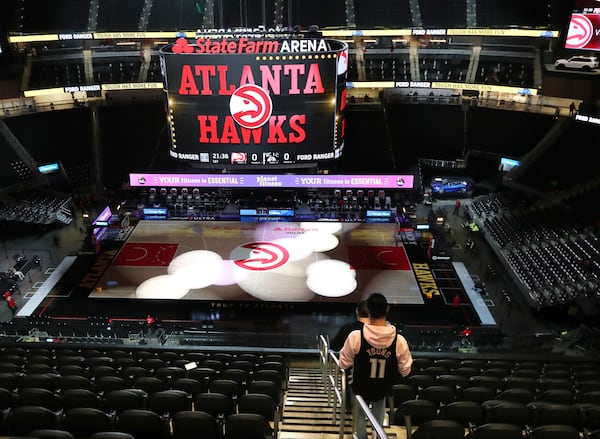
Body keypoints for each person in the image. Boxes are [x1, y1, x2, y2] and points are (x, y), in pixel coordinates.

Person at [339, 293, 413, 439]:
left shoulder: (355, 336)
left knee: (359, 415)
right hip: (383, 387)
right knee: (378, 413)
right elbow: (406, 370)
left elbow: (343, 363)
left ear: (368, 310)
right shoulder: (399, 340)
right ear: (387, 310)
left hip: (360, 385)